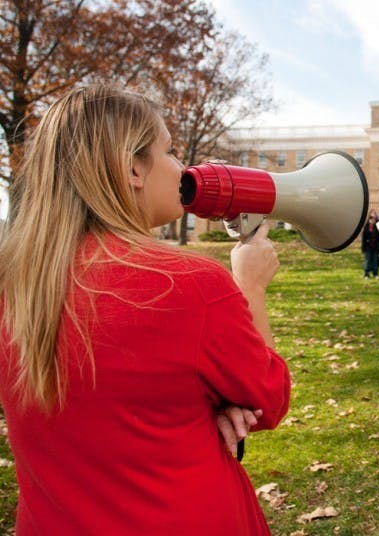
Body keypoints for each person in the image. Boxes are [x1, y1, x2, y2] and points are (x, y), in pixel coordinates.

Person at [0, 84, 291, 534]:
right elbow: (267, 399)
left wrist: (195, 407)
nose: (182, 166)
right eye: (170, 151)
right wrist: (250, 286)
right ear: (134, 168)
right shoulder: (191, 285)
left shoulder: (15, 284)